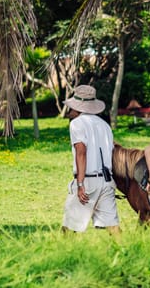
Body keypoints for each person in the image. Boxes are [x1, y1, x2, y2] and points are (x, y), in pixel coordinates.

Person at [61, 85, 120, 234]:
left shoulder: (77, 124)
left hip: (88, 181)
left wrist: (80, 184)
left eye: (72, 107)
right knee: (113, 226)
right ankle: (126, 252)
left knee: (69, 226)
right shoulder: (105, 125)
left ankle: (62, 254)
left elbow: (81, 152)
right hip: (107, 181)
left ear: (78, 107)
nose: (70, 111)